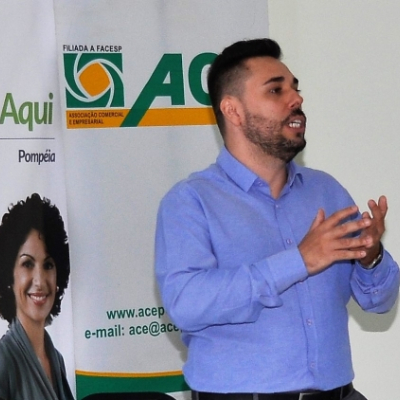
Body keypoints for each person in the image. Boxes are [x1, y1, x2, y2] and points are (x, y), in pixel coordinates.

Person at [155, 38, 400, 400]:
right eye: (276, 90)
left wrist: (371, 257)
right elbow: (186, 305)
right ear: (233, 111)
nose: (295, 99)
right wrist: (298, 261)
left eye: (295, 88)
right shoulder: (191, 201)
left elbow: (380, 302)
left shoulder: (326, 191)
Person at [0, 193, 74, 400]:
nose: (40, 281)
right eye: (27, 264)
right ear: (9, 276)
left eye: (48, 265)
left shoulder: (56, 360)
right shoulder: (4, 360)